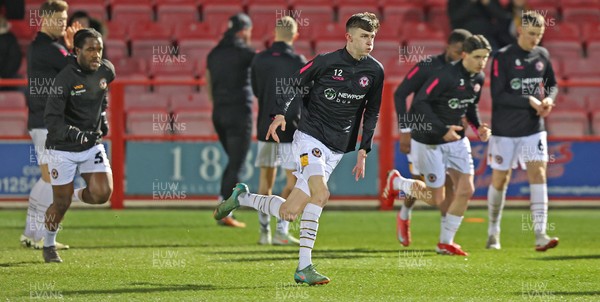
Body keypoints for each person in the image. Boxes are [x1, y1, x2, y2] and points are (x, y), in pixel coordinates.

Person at [215, 12, 384, 285]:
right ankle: (304, 266)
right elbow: (292, 83)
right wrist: (279, 113)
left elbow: (373, 110)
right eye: (364, 36)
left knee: (289, 212)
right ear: (349, 37)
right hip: (310, 138)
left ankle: (241, 198)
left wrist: (364, 148)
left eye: (373, 37)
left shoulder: (375, 70)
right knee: (321, 193)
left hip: (337, 149)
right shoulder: (326, 62)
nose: (369, 42)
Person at [385, 35, 492, 256]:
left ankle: (445, 242)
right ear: (464, 54)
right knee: (436, 199)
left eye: (485, 57)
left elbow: (470, 106)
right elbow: (419, 103)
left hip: (457, 141)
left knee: (467, 189)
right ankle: (399, 183)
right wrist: (442, 130)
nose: (481, 62)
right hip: (430, 141)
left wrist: (478, 126)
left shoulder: (478, 77)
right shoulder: (444, 75)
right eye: (477, 57)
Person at [486, 11, 558, 251]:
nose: (535, 39)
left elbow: (552, 84)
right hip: (504, 129)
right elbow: (498, 95)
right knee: (500, 178)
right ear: (520, 31)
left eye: (539, 34)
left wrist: (548, 99)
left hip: (533, 127)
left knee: (538, 174)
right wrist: (528, 99)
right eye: (531, 34)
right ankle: (493, 232)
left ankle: (540, 234)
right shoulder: (502, 57)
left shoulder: (542, 55)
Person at [42, 28, 114, 263]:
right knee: (60, 205)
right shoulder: (64, 79)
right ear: (77, 51)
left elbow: (103, 93)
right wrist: (77, 135)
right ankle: (49, 244)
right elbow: (52, 121)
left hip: (91, 144)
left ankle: (71, 195)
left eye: (99, 49)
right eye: (91, 49)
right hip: (62, 147)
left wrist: (102, 116)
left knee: (103, 194)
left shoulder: (106, 70)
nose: (96, 54)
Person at [21, 0, 82, 251]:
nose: (62, 24)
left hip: (43, 122)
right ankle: (38, 236)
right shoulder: (48, 49)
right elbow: (79, 69)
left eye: (64, 19)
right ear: (44, 19)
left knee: (47, 177)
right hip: (47, 123)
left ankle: (30, 234)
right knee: (51, 178)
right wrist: (76, 46)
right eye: (57, 20)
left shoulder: (44, 47)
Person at [250, 16, 306, 246]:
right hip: (290, 129)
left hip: (265, 126)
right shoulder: (298, 61)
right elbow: (304, 94)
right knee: (293, 182)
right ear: (295, 35)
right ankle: (282, 229)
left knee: (265, 183)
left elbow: (255, 91)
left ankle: (265, 233)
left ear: (274, 33)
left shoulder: (259, 60)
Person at [206, 13, 255, 228]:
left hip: (219, 112)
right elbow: (263, 72)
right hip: (239, 113)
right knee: (237, 163)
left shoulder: (214, 53)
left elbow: (209, 84)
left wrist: (218, 104)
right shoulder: (245, 53)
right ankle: (224, 210)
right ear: (244, 31)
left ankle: (225, 206)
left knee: (233, 163)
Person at [0, 15, 22, 91]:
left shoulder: (10, 39)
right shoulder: (11, 38)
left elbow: (14, 59)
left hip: (9, 79)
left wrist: (3, 76)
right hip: (10, 78)